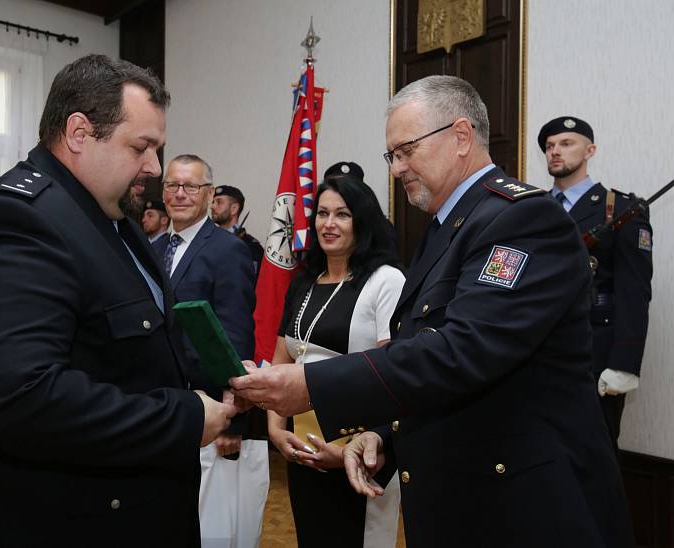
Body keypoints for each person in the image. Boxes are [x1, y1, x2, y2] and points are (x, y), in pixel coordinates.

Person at [232, 75, 634, 547]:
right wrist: (384, 435)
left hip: (524, 505)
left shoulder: (522, 218)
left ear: (460, 137)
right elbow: (420, 352)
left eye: (406, 151)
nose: (397, 168)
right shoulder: (449, 227)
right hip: (463, 498)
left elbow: (465, 351)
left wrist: (312, 386)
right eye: (392, 156)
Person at [0, 54, 238, 548]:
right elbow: (18, 396)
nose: (154, 168)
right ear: (79, 133)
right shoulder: (17, 222)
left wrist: (220, 374)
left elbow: (132, 347)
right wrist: (182, 418)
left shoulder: (111, 219)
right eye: (141, 148)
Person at [267, 164, 405, 547]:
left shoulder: (386, 280)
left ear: (362, 222)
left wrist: (352, 448)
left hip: (360, 450)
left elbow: (396, 374)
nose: (330, 223)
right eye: (323, 214)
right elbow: (282, 361)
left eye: (342, 214)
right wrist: (276, 429)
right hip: (302, 448)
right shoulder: (304, 282)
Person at [153, 154, 267, 548]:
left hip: (209, 408)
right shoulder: (149, 249)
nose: (180, 194)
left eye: (191, 187)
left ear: (208, 194)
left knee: (211, 529)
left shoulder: (227, 250)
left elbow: (235, 334)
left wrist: (233, 419)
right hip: (161, 406)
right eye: (172, 185)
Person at [539, 116, 652, 451]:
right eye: (548, 146)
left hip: (594, 354)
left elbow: (634, 292)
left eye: (566, 143)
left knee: (594, 458)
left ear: (590, 150)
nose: (554, 152)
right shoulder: (532, 209)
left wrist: (623, 365)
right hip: (538, 351)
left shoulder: (619, 209)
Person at [211, 184, 264, 277]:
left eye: (219, 202)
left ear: (234, 209)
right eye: (213, 202)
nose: (212, 206)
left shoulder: (251, 247)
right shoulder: (205, 241)